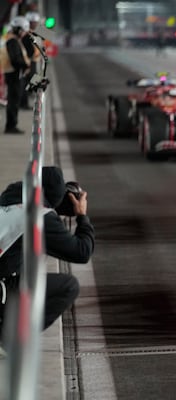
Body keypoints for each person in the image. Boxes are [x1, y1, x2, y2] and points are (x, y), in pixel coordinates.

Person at [0, 166, 95, 331]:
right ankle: (13, 339)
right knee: (69, 286)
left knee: (27, 259)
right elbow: (82, 251)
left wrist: (55, 205)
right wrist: (82, 216)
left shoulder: (9, 197)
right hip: (3, 288)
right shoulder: (40, 217)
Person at [0, 16, 31, 133]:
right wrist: (24, 65)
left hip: (14, 73)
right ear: (18, 29)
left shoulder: (12, 39)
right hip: (14, 74)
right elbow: (15, 58)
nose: (24, 33)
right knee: (13, 100)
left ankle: (12, 125)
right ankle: (11, 126)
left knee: (14, 99)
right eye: (23, 30)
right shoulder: (12, 41)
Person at [19, 11, 41, 110]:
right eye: (33, 22)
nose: (36, 24)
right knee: (30, 81)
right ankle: (24, 101)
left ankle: (27, 97)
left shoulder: (34, 32)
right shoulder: (27, 34)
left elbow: (50, 36)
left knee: (32, 80)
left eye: (36, 22)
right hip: (29, 61)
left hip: (33, 61)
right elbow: (29, 50)